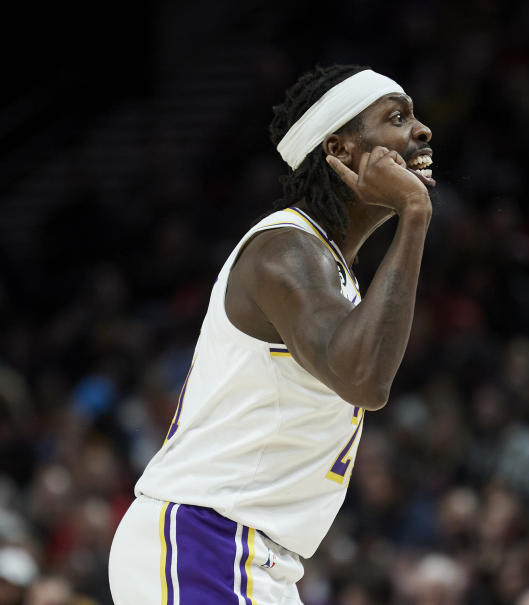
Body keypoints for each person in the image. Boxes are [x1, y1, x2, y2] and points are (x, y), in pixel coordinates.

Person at [108, 63, 436, 604]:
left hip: (255, 558)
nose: (422, 131)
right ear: (342, 149)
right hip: (203, 541)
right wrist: (415, 214)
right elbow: (364, 380)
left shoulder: (333, 273)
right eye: (398, 118)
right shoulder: (283, 252)